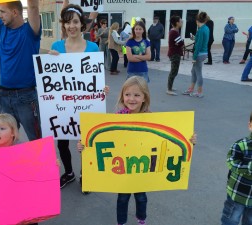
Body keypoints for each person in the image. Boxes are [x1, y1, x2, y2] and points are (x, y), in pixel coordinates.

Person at [77, 76, 197, 225]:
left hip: (142, 169)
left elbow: (165, 142)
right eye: (127, 94)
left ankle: (141, 219)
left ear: (144, 98)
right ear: (122, 96)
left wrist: (189, 140)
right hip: (123, 169)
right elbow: (107, 138)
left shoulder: (150, 118)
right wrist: (83, 146)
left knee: (141, 197)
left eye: (136, 95)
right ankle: (121, 222)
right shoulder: (118, 117)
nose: (131, 99)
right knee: (122, 198)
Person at [50, 4, 109, 190]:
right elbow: (50, 80)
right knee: (63, 143)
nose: (71, 26)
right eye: (67, 23)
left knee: (87, 141)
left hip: (86, 105)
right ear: (63, 26)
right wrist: (51, 62)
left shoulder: (92, 47)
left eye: (75, 21)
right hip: (63, 105)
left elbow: (96, 77)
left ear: (82, 24)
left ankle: (86, 173)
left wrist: (102, 89)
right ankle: (69, 173)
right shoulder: (56, 47)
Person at [0, 0, 42, 142]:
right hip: (3, 96)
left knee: (36, 141)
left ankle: (40, 164)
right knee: (4, 142)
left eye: (2, 11)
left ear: (15, 12)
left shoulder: (30, 31)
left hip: (26, 97)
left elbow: (33, 6)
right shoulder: (1, 28)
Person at [220, 112, 252, 225]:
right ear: (250, 125)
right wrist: (249, 167)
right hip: (237, 194)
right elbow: (231, 163)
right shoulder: (241, 145)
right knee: (230, 220)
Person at [183, 12, 209, 98]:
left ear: (197, 21)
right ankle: (191, 89)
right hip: (204, 52)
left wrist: (194, 57)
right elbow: (201, 40)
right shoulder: (206, 28)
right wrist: (195, 38)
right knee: (193, 71)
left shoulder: (201, 30)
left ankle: (199, 92)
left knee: (198, 73)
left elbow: (198, 45)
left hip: (199, 53)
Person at [167, 15, 184, 96]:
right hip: (174, 54)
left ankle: (170, 87)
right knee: (173, 71)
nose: (182, 22)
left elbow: (179, 43)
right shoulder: (174, 32)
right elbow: (181, 43)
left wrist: (179, 43)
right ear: (177, 23)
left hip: (175, 53)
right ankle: (169, 89)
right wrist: (179, 43)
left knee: (174, 71)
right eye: (180, 21)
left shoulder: (175, 31)